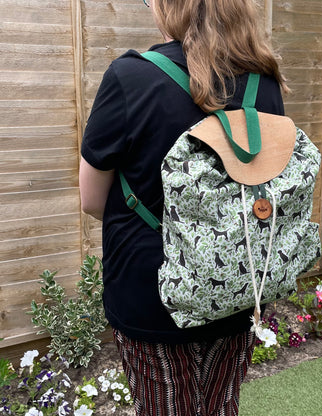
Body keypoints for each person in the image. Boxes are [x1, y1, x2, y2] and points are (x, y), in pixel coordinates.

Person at [79, 0, 287, 414]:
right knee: (221, 403)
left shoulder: (130, 76)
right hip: (235, 279)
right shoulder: (263, 84)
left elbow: (91, 199)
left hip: (151, 289)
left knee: (163, 405)